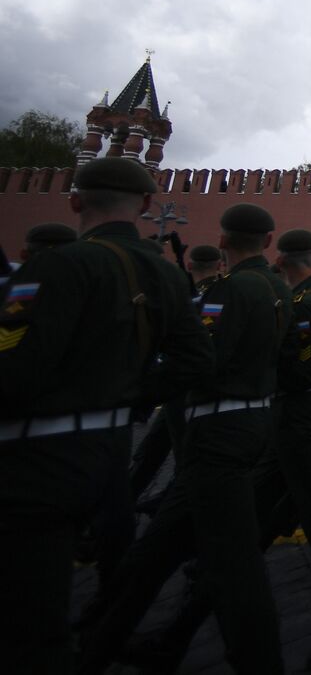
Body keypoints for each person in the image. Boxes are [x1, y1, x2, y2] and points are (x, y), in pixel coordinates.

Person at [0, 158, 213, 673]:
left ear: (75, 200)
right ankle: (107, 628)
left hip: (38, 459)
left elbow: (12, 368)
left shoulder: (55, 267)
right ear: (145, 206)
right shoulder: (165, 273)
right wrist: (131, 395)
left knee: (28, 617)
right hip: (110, 450)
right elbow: (194, 361)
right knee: (108, 563)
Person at [80, 202, 293, 674]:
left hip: (218, 429)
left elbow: (202, 358)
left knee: (233, 564)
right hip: (251, 422)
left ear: (222, 241)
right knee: (156, 550)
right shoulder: (278, 286)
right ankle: (101, 637)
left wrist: (134, 391)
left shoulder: (230, 291)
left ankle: (260, 660)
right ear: (270, 242)